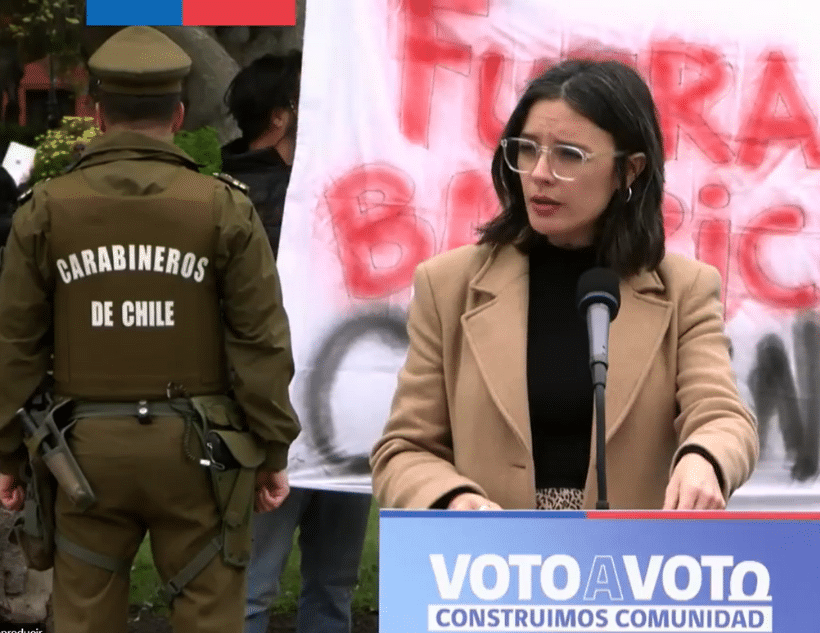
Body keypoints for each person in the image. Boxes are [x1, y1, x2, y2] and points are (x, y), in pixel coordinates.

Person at [0, 26, 299, 633]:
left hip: (83, 454)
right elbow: (260, 342)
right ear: (180, 113)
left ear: (96, 112)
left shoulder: (46, 210)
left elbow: (15, 345)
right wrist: (271, 449)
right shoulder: (224, 207)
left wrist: (7, 452)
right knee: (211, 615)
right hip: (200, 452)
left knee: (83, 615)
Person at [370, 59, 758, 511]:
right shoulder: (448, 285)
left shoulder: (685, 290)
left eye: (568, 155)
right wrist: (453, 500)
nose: (539, 172)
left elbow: (723, 418)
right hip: (490, 565)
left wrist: (703, 458)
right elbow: (403, 450)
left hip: (629, 566)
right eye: (528, 148)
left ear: (629, 171)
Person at [223, 51, 375, 633]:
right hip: (274, 420)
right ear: (283, 115)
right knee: (255, 589)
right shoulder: (236, 201)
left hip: (342, 417)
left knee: (330, 586)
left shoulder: (337, 184)